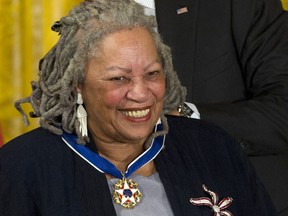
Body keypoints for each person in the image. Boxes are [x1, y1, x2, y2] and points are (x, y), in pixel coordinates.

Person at [0, 0, 276, 215]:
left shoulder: (214, 147)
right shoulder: (21, 167)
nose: (141, 93)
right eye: (118, 78)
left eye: (153, 74)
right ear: (77, 83)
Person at [134, 0, 288, 214]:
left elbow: (282, 110)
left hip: (240, 198)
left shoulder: (235, 6)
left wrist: (184, 116)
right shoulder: (86, 22)